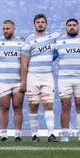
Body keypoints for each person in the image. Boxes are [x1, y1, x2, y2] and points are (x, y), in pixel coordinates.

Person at [21, 14, 60, 142]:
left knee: (48, 104)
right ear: (34, 24)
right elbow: (24, 63)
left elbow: (70, 35)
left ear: (46, 24)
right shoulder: (29, 41)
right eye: (38, 22)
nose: (40, 24)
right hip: (32, 76)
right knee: (33, 106)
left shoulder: (53, 38)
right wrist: (24, 81)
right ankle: (34, 135)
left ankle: (51, 134)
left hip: (47, 75)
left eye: (43, 22)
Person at [55, 18, 80, 142]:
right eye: (69, 25)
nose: (71, 27)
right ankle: (65, 134)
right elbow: (50, 55)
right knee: (65, 106)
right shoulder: (59, 41)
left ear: (78, 27)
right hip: (64, 79)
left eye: (74, 25)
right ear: (65, 27)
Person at [0, 20, 25, 142]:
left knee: (18, 107)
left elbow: (25, 60)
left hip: (17, 80)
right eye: (4, 29)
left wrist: (23, 80)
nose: (5, 31)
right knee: (4, 107)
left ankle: (17, 135)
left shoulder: (21, 43)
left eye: (8, 29)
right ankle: (4, 135)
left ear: (14, 29)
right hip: (2, 81)